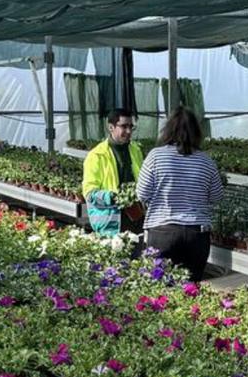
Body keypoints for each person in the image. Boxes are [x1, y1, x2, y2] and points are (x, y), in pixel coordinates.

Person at [136, 107, 224, 282]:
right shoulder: (206, 160)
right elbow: (216, 196)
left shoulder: (156, 156)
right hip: (196, 234)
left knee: (158, 289)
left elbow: (142, 193)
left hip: (163, 232)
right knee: (190, 288)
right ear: (196, 132)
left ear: (168, 129)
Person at [82, 108, 144, 236]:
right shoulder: (96, 155)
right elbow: (89, 193)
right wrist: (112, 197)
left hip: (135, 218)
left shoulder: (135, 150)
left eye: (131, 127)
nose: (128, 131)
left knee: (137, 253)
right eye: (124, 126)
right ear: (111, 127)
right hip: (110, 223)